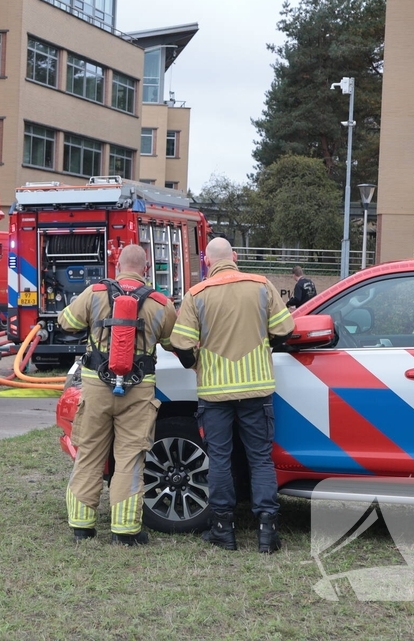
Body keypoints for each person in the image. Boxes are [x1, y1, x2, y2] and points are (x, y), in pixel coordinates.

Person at [170, 237, 295, 553]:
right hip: (257, 388)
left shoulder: (197, 294)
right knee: (260, 459)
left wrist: (197, 363)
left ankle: (223, 529)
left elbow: (181, 344)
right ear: (235, 257)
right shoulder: (261, 285)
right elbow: (285, 330)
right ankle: (268, 531)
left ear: (208, 262)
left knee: (220, 461)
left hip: (214, 393)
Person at [58, 244, 177, 546]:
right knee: (130, 457)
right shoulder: (160, 302)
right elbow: (176, 340)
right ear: (146, 269)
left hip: (96, 388)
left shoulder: (95, 292)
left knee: (89, 454)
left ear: (117, 265)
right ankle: (125, 532)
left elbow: (67, 323)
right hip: (138, 391)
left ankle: (81, 527)